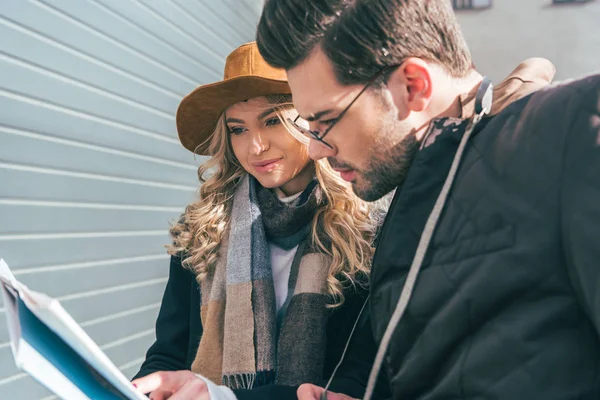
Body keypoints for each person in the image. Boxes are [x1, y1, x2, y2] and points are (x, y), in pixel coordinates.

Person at [253, 0, 600, 399]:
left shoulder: (571, 130)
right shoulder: (415, 185)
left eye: (326, 121)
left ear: (413, 85)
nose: (316, 151)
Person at [131, 42, 386, 400]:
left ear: (311, 121)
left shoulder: (365, 234)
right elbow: (168, 355)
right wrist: (143, 387)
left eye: (271, 121)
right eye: (238, 129)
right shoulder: (204, 230)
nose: (255, 146)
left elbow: (359, 379)